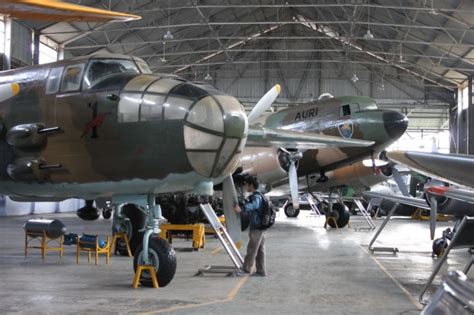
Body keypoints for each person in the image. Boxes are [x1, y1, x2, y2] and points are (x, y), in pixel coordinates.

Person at [234, 176, 267, 276]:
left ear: (251, 185)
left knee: (252, 249)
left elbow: (254, 205)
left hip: (257, 228)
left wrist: (242, 209)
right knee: (260, 250)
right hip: (262, 227)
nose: (245, 187)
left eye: (246, 184)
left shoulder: (256, 196)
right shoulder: (260, 195)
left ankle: (246, 269)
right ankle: (261, 270)